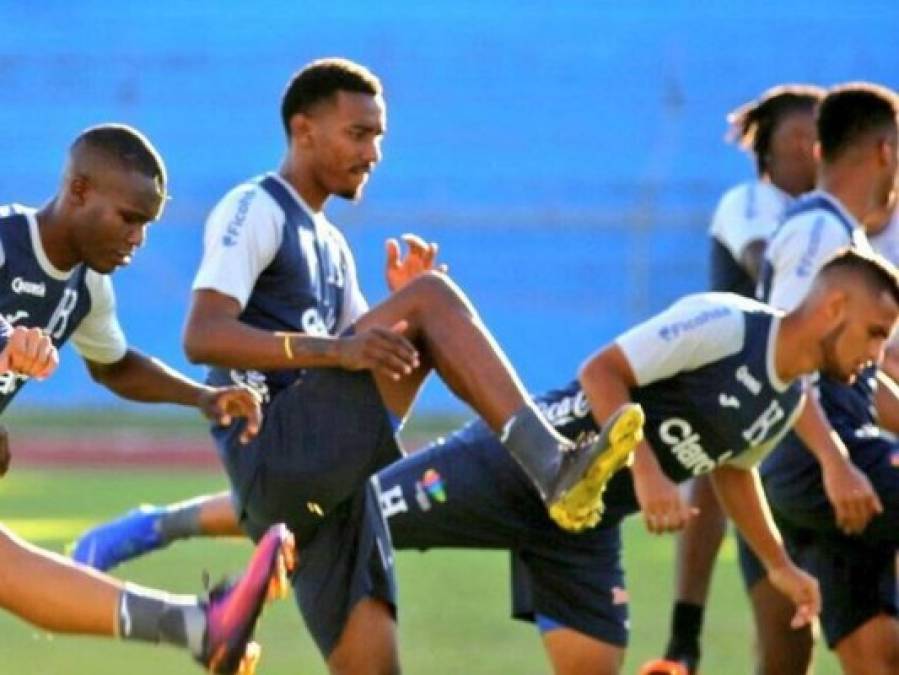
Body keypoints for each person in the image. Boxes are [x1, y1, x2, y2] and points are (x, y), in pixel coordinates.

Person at [74, 247, 899, 673]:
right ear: (831, 305)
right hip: (518, 467)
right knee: (324, 510)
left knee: (589, 663)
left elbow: (730, 469)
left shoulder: (789, 397)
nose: (873, 359)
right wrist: (646, 472)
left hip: (582, 525)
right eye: (871, 334)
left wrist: (779, 564)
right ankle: (163, 520)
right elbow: (603, 370)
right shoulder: (727, 321)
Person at [74, 58, 644, 675]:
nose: (372, 151)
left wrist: (403, 313)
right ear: (303, 130)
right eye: (358, 133)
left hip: (330, 491)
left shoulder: (333, 246)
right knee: (433, 300)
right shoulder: (255, 206)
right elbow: (203, 335)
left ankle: (535, 448)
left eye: (379, 136)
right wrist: (408, 315)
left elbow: (364, 359)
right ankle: (552, 465)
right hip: (279, 453)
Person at [0, 124, 296, 674]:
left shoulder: (85, 289)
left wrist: (203, 398)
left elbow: (115, 367)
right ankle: (201, 626)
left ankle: (203, 627)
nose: (138, 238)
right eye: (130, 219)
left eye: (147, 225)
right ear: (80, 191)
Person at [643, 84, 824, 675]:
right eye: (800, 139)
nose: (814, 151)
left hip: (797, 391)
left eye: (824, 138)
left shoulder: (839, 220)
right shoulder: (751, 203)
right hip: (730, 377)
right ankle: (684, 628)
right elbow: (763, 265)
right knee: (716, 468)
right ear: (766, 152)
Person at [743, 82, 899, 675]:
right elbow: (778, 359)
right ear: (885, 151)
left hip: (830, 470)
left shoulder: (844, 239)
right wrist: (835, 463)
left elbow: (853, 380)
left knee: (876, 656)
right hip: (817, 466)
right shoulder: (818, 235)